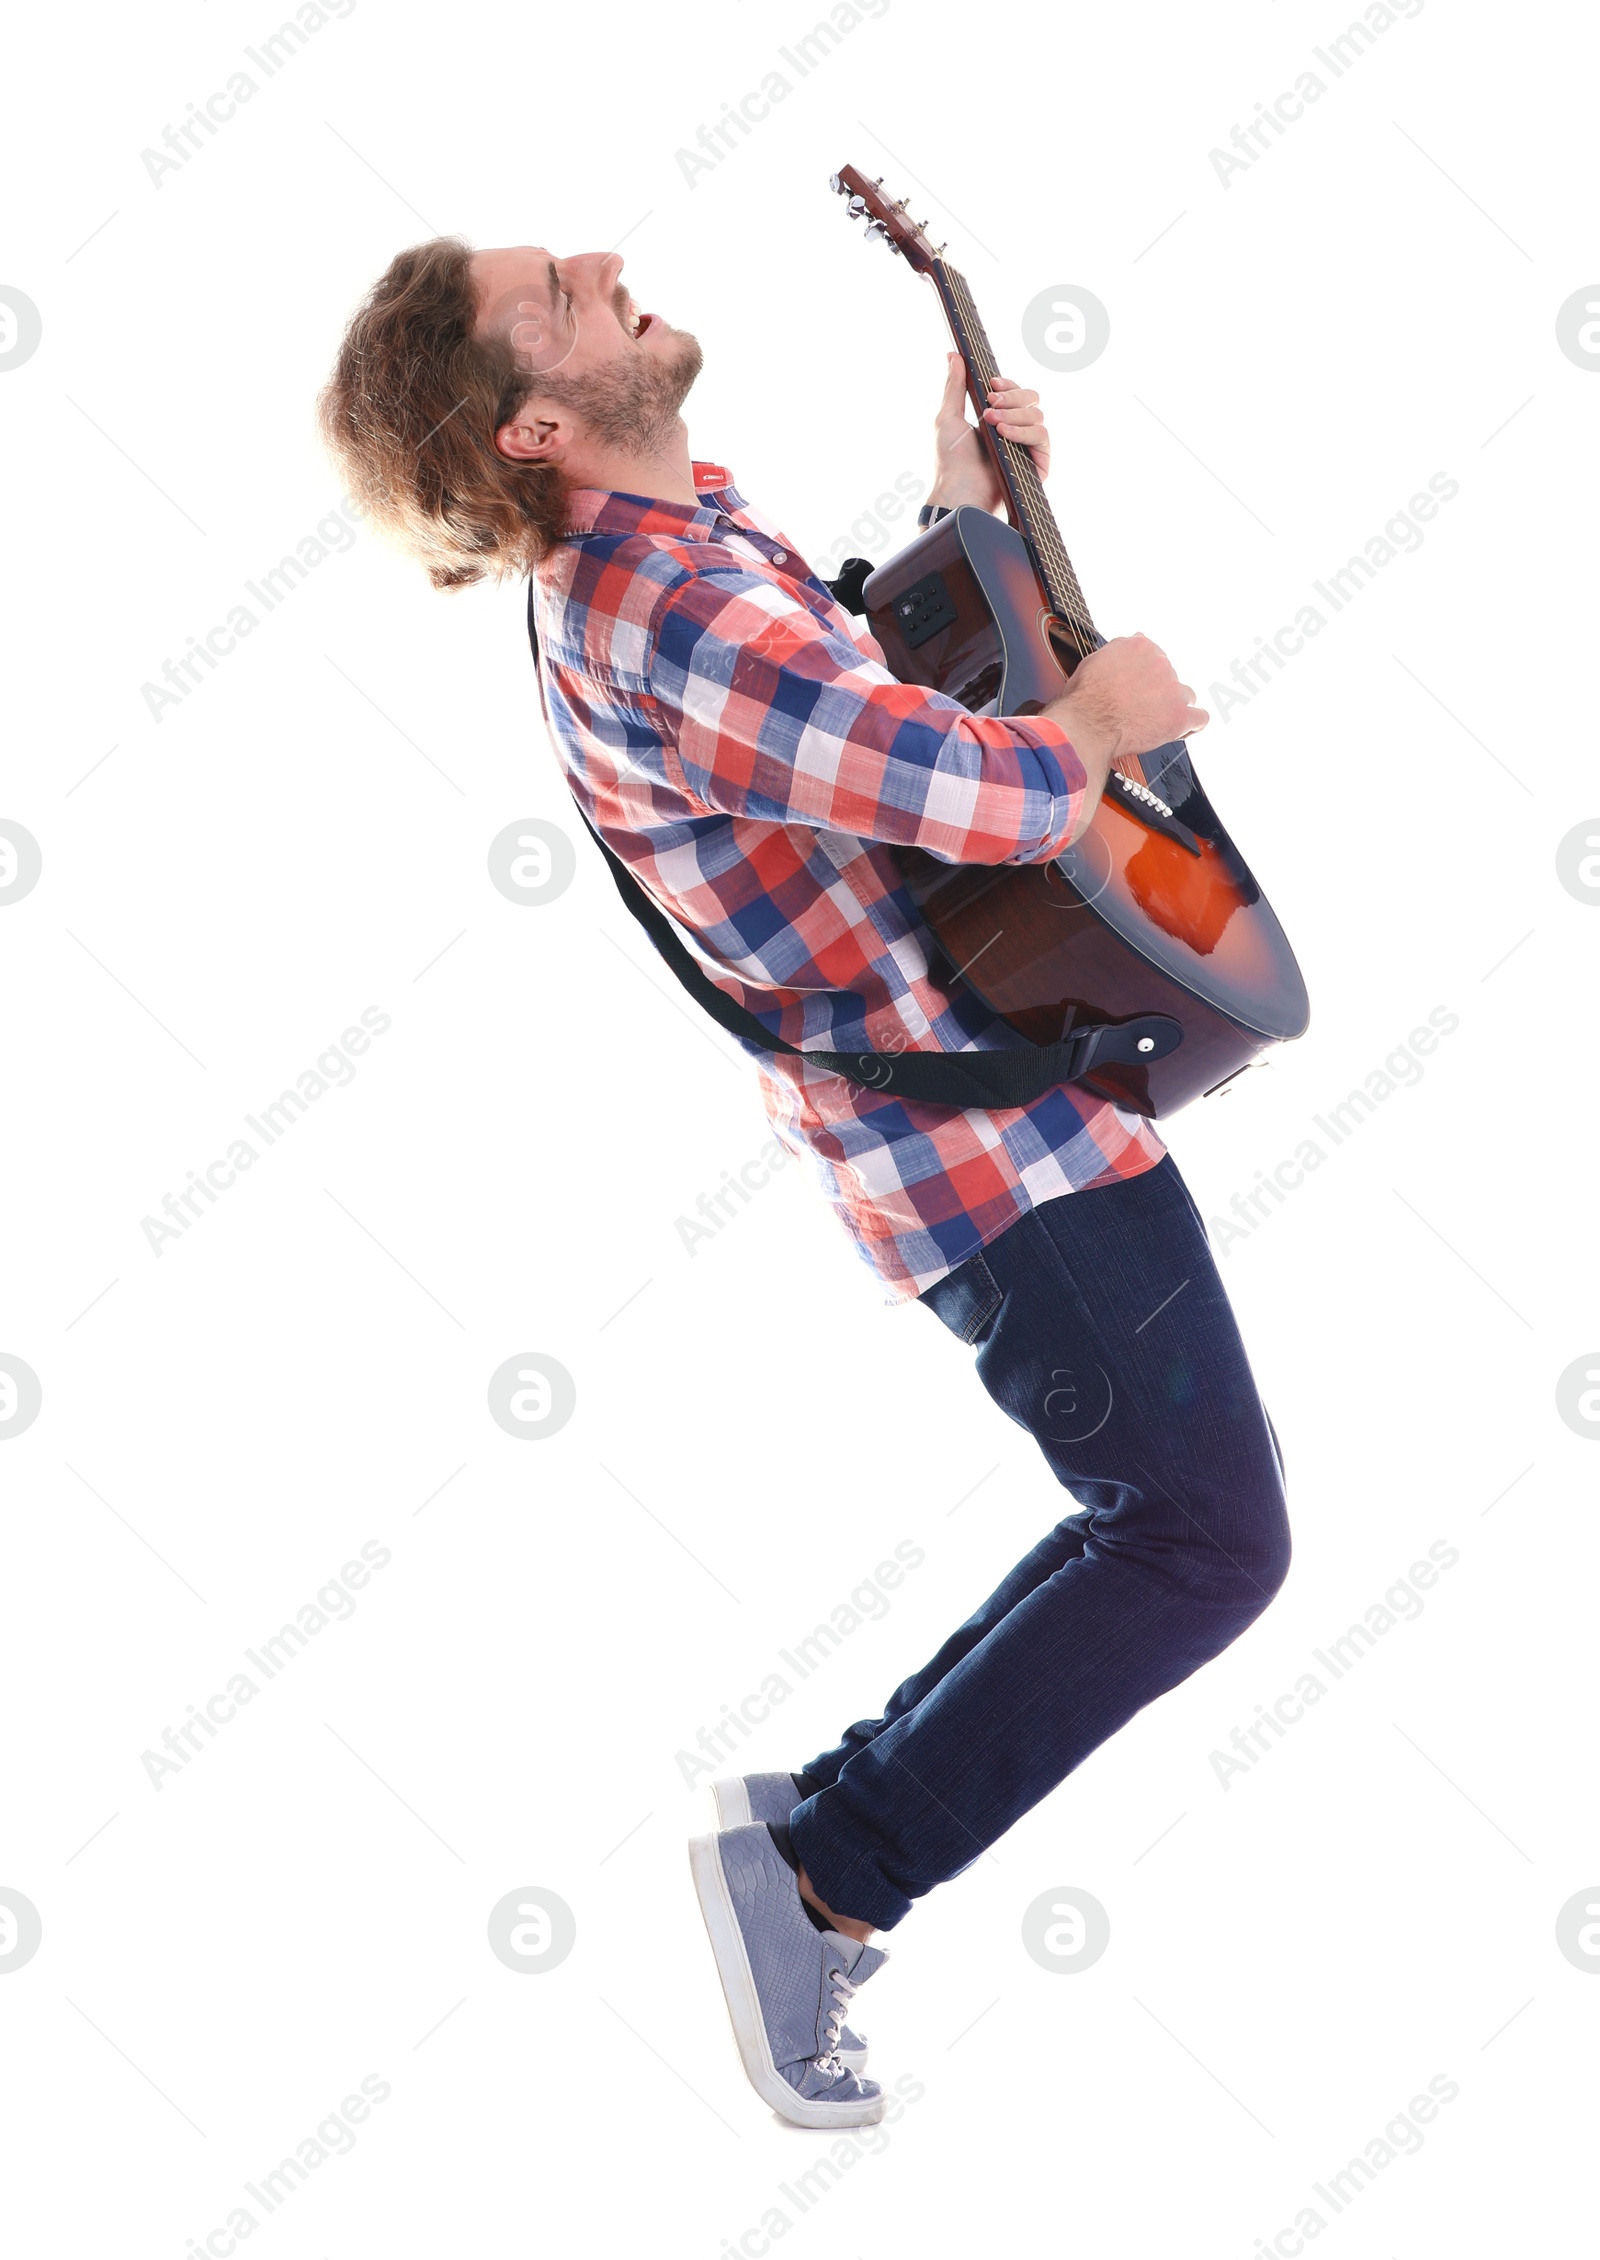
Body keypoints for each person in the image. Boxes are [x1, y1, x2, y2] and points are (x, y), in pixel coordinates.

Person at [319, 236, 1292, 2130]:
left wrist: (955, 499)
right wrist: (1102, 726)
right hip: (987, 1149)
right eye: (560, 295)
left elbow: (849, 696)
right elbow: (978, 789)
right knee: (1203, 1542)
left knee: (1163, 1522)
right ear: (533, 424)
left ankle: (822, 1833)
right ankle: (834, 1869)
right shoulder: (654, 603)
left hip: (1002, 1117)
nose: (605, 263)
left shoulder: (689, 544)